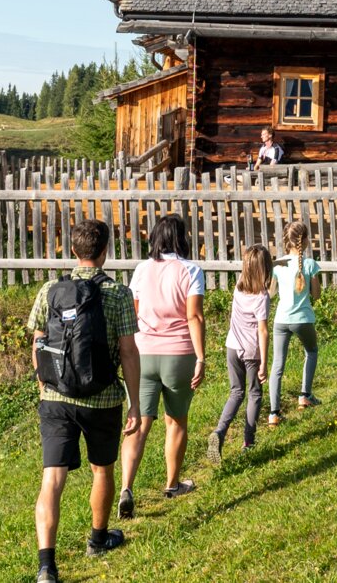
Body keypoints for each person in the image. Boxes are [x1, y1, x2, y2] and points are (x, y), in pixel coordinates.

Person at [28, 219, 140, 583]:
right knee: (101, 469)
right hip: (103, 398)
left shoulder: (50, 290)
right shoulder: (118, 294)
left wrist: (44, 382)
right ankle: (97, 538)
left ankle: (46, 565)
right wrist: (135, 403)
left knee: (52, 479)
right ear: (106, 251)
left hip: (56, 396)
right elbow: (128, 352)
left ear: (72, 250)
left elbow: (38, 344)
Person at [119, 215, 206, 516]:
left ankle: (126, 487)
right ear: (182, 238)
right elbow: (194, 317)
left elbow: (134, 310)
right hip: (179, 353)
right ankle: (172, 484)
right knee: (176, 420)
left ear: (156, 237)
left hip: (143, 352)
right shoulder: (191, 270)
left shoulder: (142, 270)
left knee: (137, 424)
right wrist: (201, 357)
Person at [209, 245, 273, 461]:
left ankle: (219, 432)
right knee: (254, 393)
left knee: (236, 392)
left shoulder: (238, 287)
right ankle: (248, 441)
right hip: (251, 352)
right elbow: (263, 331)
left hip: (232, 347)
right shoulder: (261, 297)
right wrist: (264, 363)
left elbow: (252, 267)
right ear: (266, 269)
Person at [267, 221, 323, 425]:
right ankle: (305, 395)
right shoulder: (309, 264)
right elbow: (316, 295)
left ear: (285, 241)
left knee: (277, 364)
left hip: (281, 320)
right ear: (305, 241)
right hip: (303, 320)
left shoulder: (278, 264)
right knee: (312, 351)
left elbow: (271, 293)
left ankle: (273, 413)